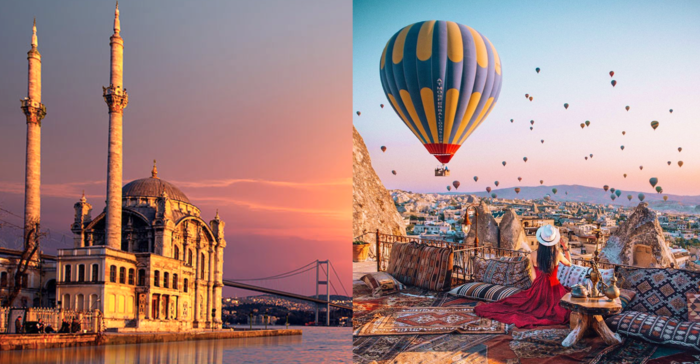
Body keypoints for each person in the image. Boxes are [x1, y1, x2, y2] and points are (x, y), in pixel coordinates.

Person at [474, 224, 572, 328]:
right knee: (564, 307)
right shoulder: (557, 254)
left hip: (538, 288)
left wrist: (537, 289)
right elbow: (569, 263)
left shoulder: (533, 254)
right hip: (554, 288)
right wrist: (565, 248)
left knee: (522, 305)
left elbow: (534, 278)